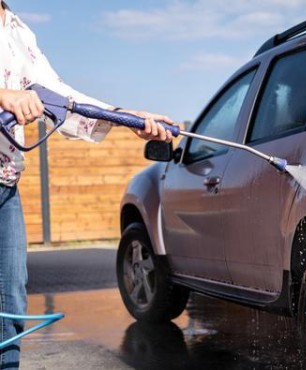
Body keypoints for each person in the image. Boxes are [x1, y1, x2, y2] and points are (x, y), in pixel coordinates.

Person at [0, 2, 174, 368]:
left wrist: (127, 117)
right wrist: (3, 94)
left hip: (5, 184)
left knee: (10, 301)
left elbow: (62, 98)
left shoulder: (16, 30)